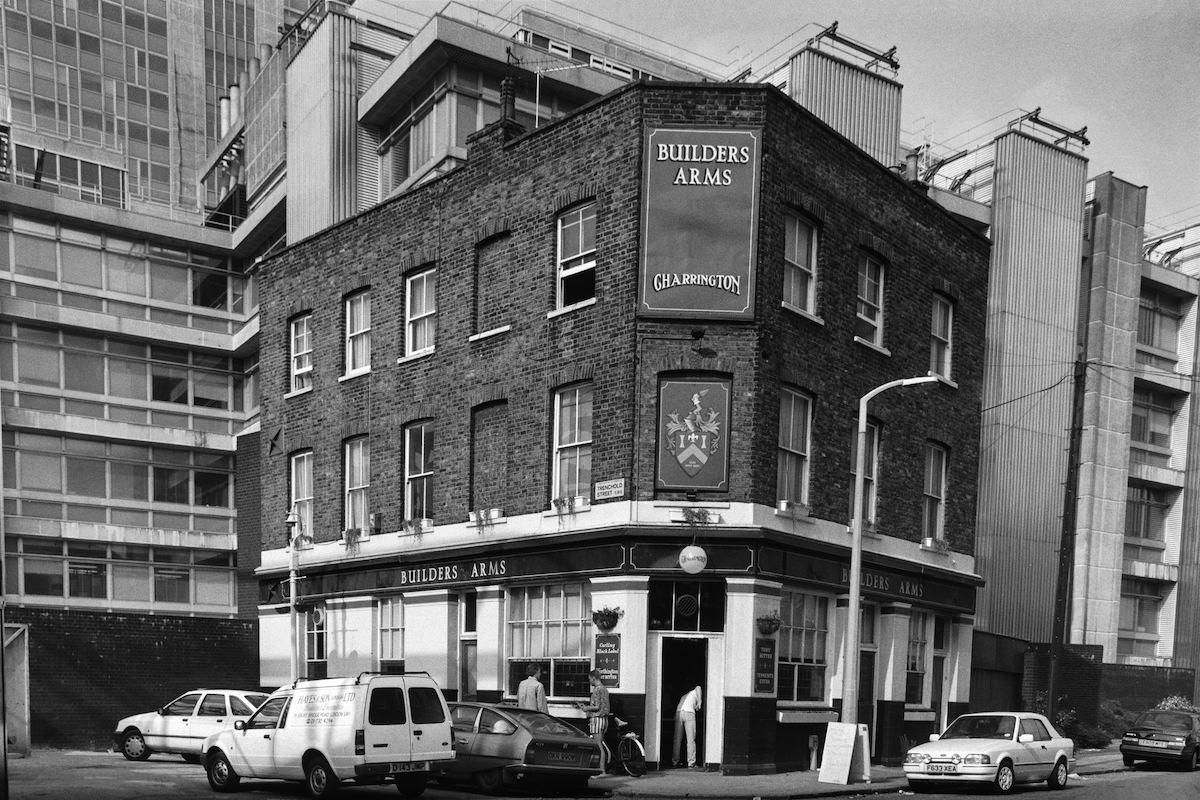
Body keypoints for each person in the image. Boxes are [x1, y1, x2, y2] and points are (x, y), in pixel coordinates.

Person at [579, 669, 611, 771]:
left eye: (589, 679)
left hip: (597, 719)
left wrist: (586, 708)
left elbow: (597, 707)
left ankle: (601, 771)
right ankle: (603, 769)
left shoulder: (597, 689)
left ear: (593, 678)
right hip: (604, 720)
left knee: (598, 746)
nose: (589, 681)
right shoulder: (605, 689)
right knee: (601, 744)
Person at [674, 685, 702, 768]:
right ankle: (691, 763)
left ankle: (675, 761)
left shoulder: (683, 697)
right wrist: (699, 702)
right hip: (689, 713)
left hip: (679, 713)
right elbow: (698, 687)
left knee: (677, 740)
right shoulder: (694, 692)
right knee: (691, 740)